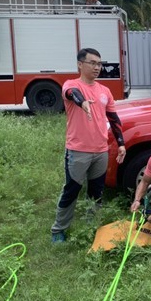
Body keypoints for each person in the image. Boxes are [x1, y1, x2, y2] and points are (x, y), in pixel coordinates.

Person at [51, 48, 126, 243]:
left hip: (100, 151)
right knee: (72, 190)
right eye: (92, 63)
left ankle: (90, 227)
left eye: (99, 64)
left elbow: (114, 118)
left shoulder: (104, 91)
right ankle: (59, 230)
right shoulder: (71, 85)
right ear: (80, 64)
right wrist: (83, 102)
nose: (97, 67)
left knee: (96, 192)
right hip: (78, 151)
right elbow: (71, 93)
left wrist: (121, 144)